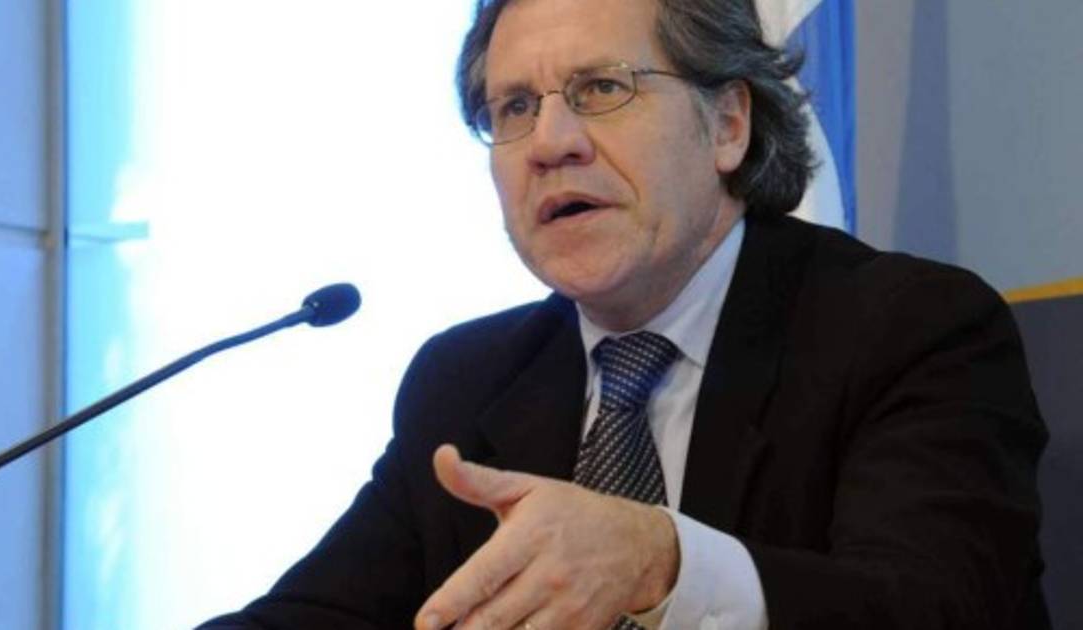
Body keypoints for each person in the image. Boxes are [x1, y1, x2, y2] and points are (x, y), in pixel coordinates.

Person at [202, 0, 1048, 628]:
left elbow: (934, 609)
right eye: (514, 108)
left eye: (602, 87)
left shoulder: (910, 330)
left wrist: (664, 563)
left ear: (728, 124)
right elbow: (320, 615)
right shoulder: (465, 379)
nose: (550, 143)